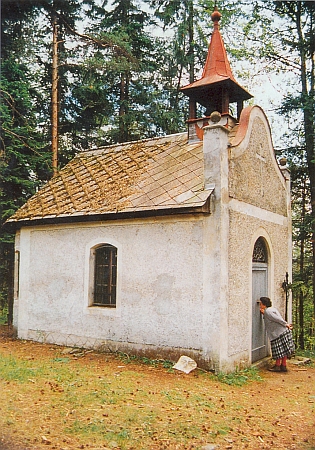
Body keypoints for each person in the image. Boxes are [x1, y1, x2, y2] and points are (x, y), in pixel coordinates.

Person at [259, 296, 295, 372]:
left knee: (278, 350)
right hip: (282, 331)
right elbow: (272, 318)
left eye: (261, 303)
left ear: (264, 304)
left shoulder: (268, 311)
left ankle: (278, 366)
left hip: (278, 333)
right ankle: (283, 365)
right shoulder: (271, 310)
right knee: (284, 350)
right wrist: (264, 313)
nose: (260, 305)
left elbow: (277, 319)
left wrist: (286, 324)